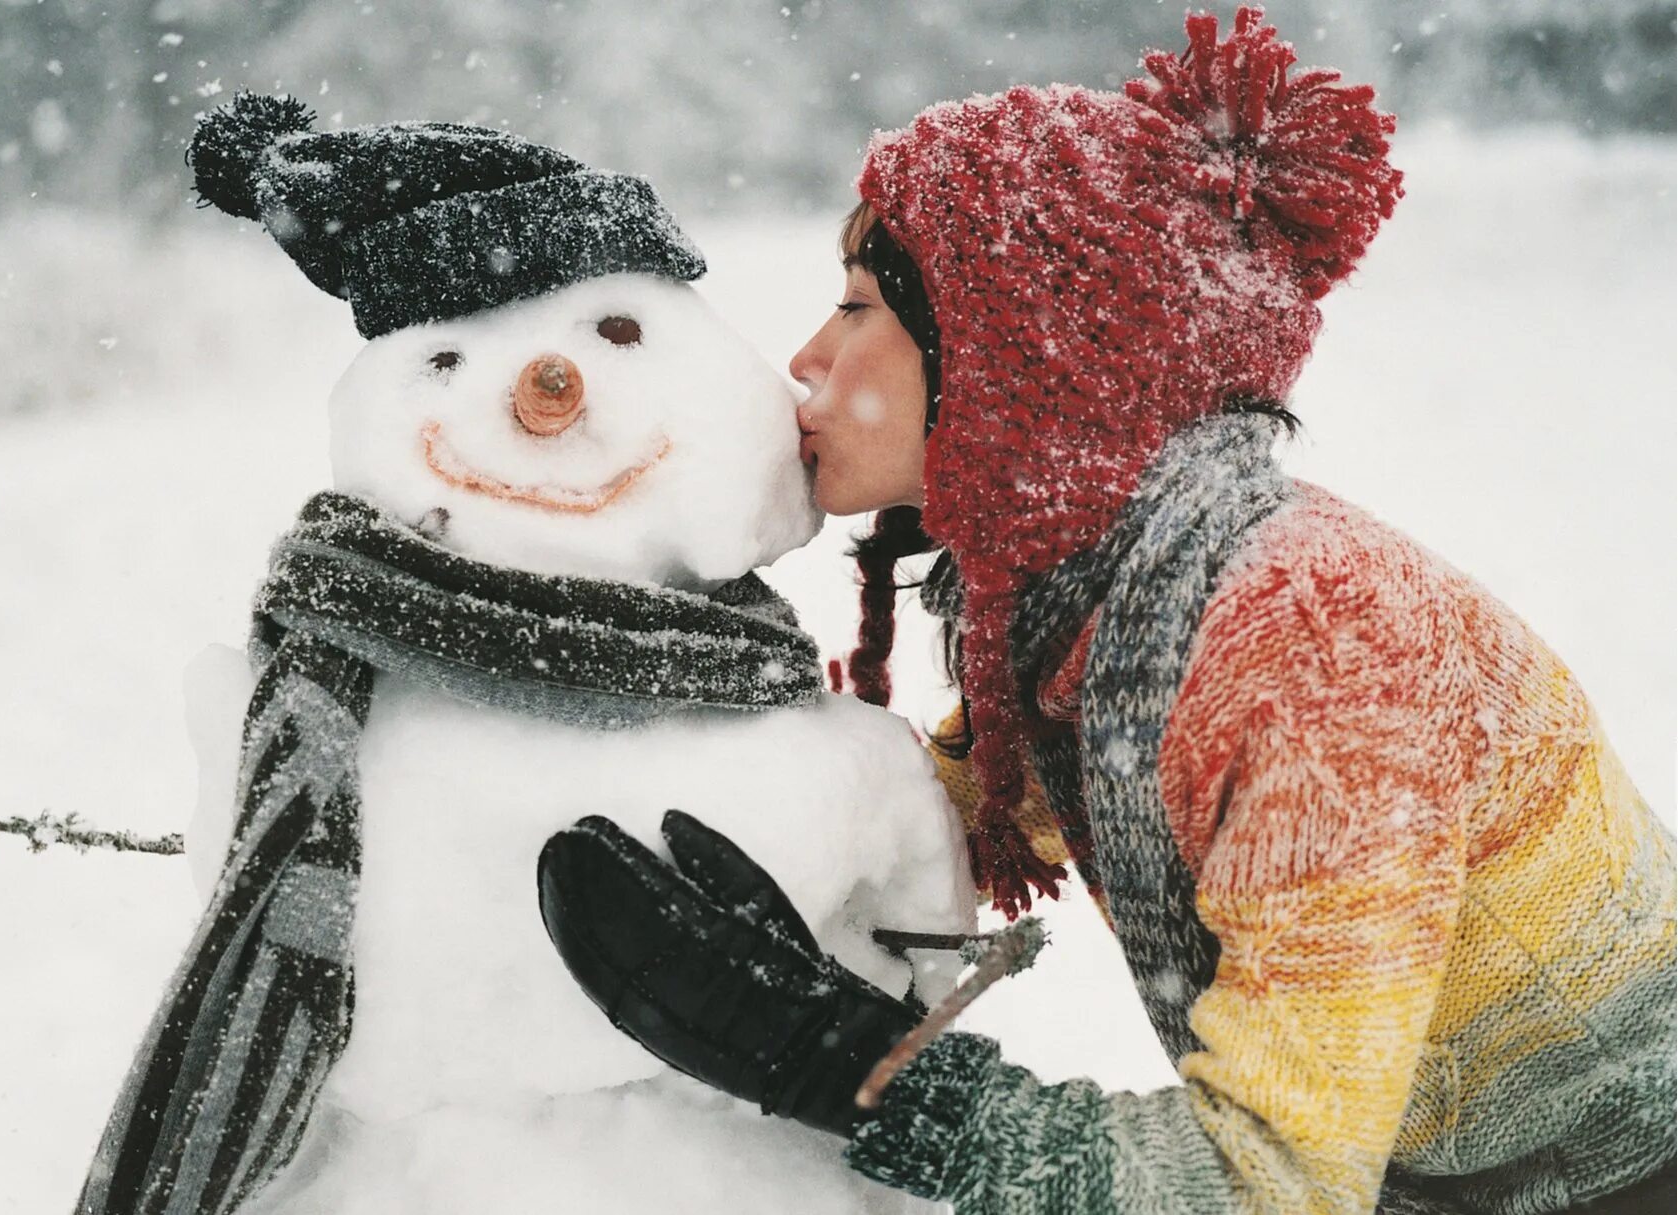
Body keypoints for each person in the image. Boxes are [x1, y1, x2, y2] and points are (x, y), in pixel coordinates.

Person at [535, 8, 1677, 1213]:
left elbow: (1264, 1186)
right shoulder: (1092, 607)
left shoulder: (1309, 646)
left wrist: (853, 1073)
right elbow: (957, 811)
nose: (808, 358)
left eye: (864, 304)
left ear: (1018, 360)